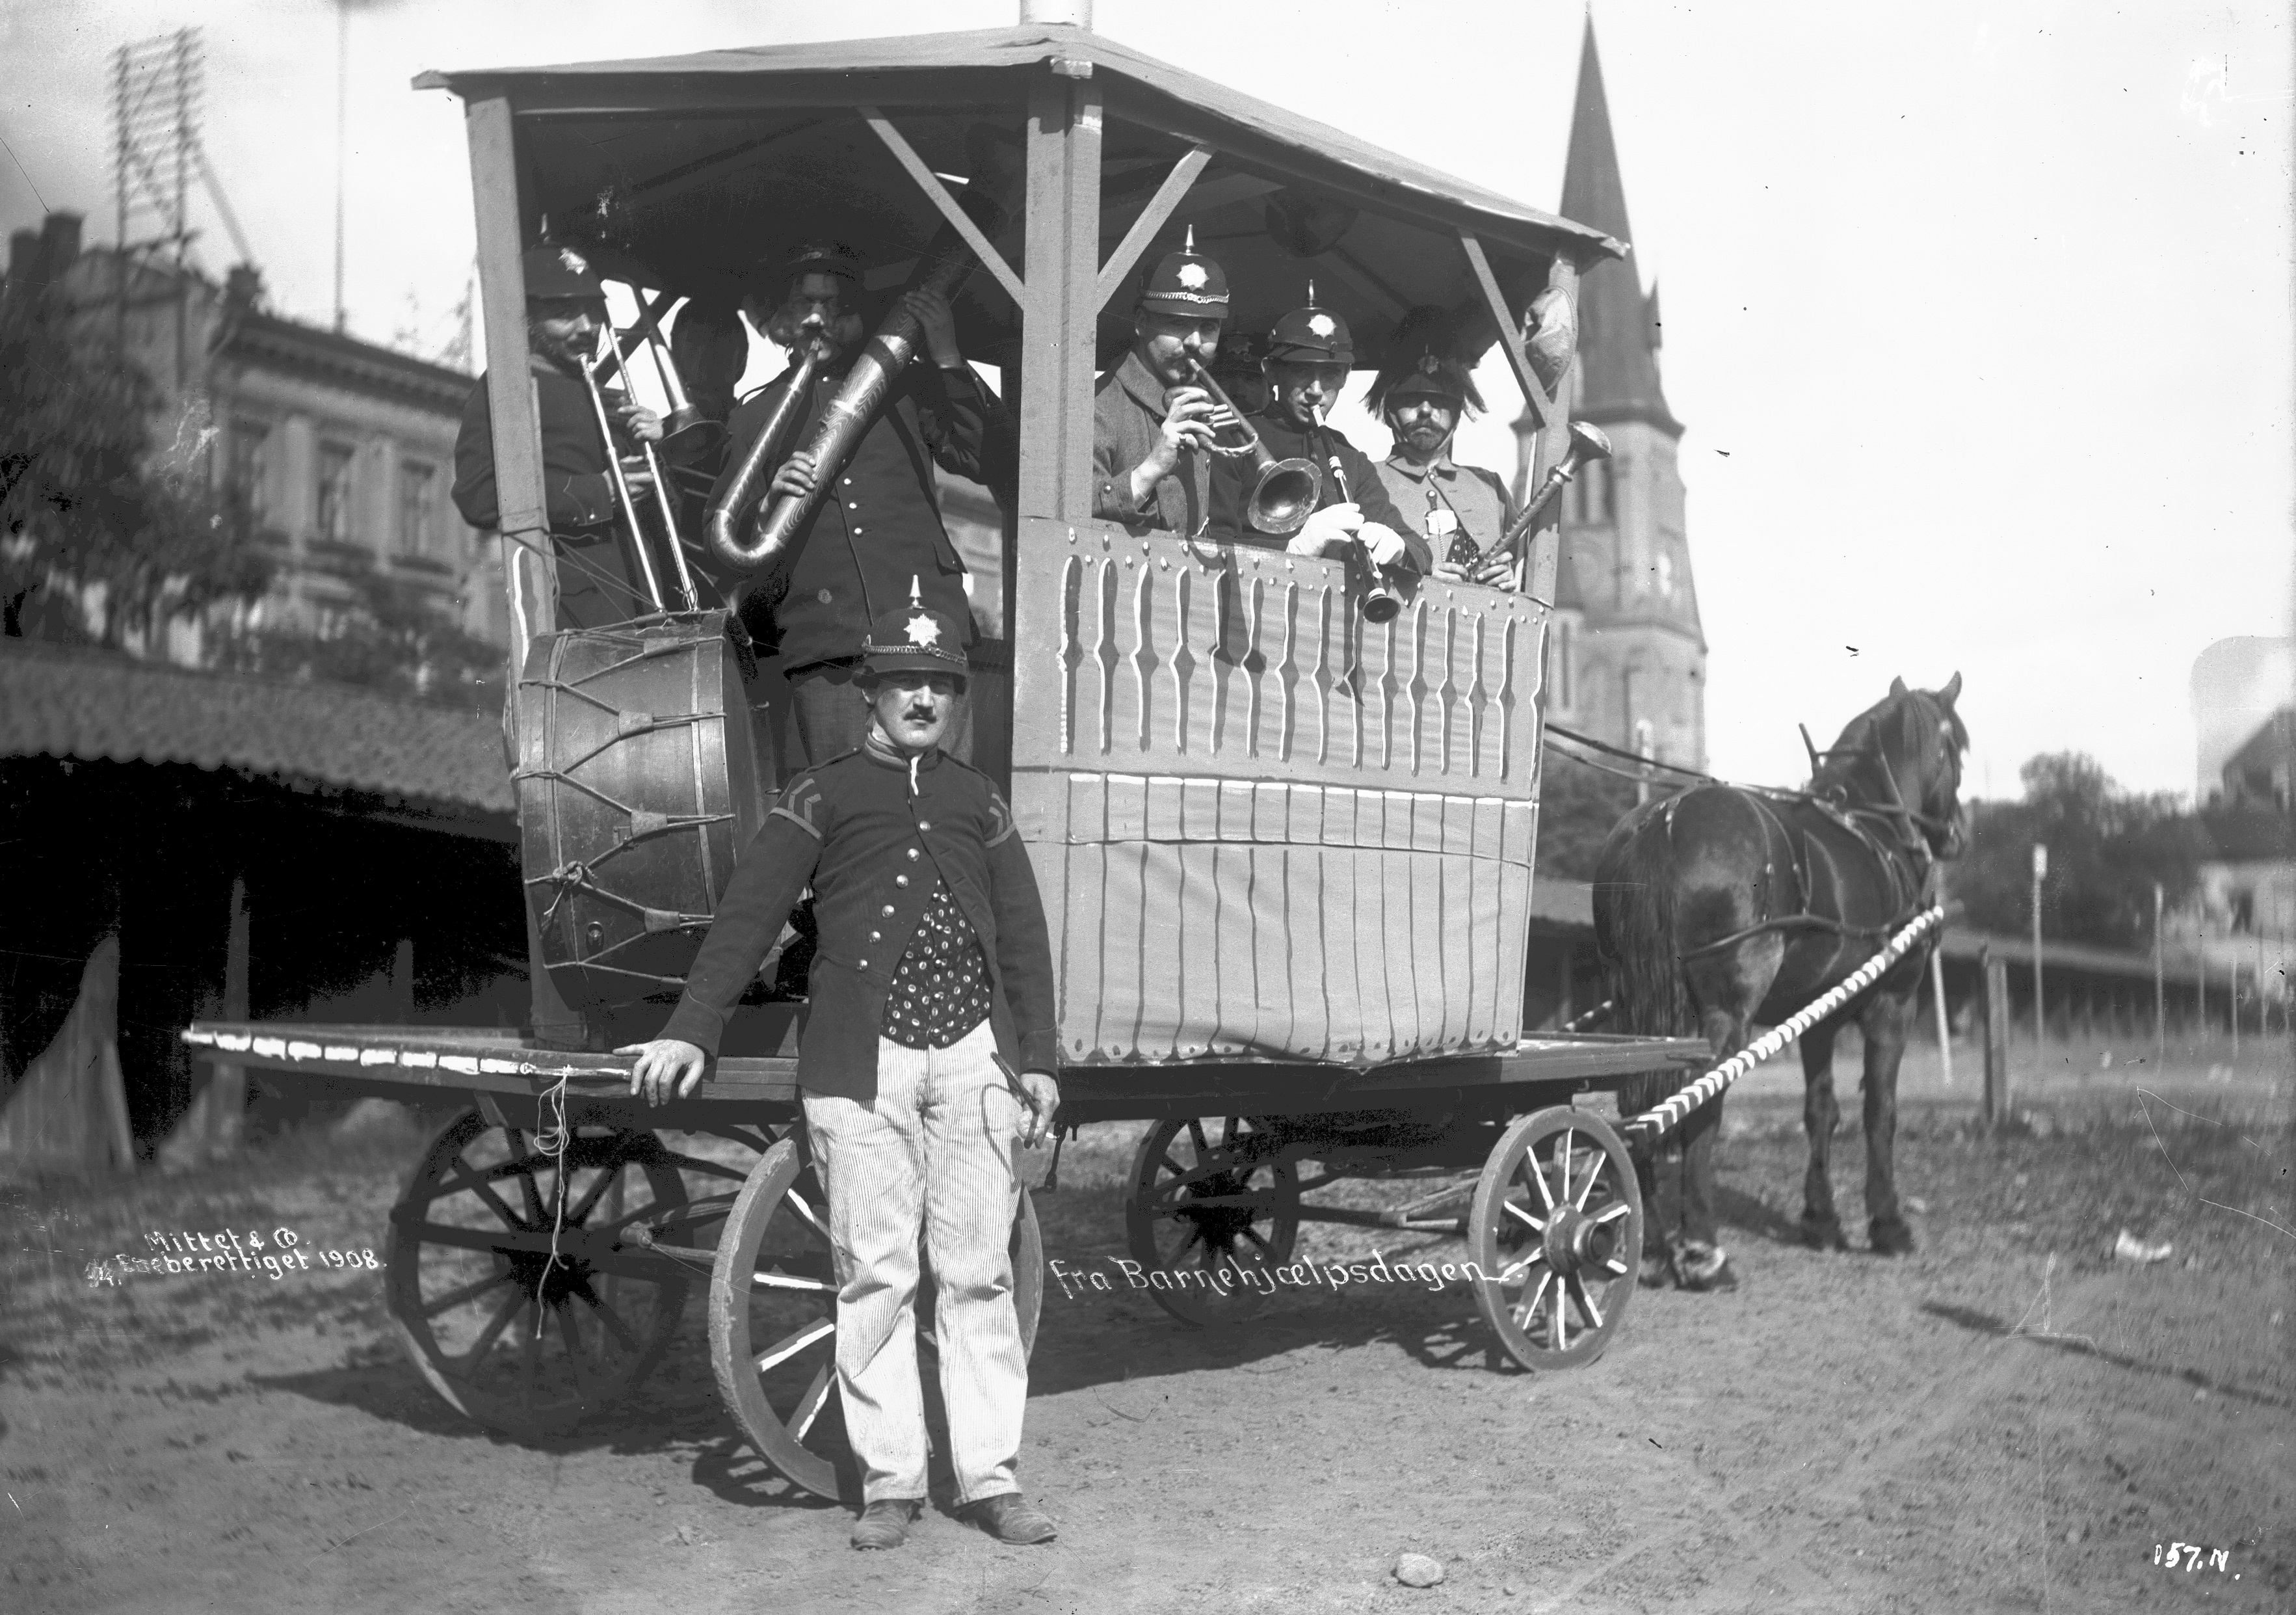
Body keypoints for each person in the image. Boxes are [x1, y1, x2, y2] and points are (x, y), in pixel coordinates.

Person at [619, 589, 1062, 1553]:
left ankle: (991, 1478)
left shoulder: (979, 801)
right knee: (874, 1272)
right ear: (869, 694)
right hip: (858, 1065)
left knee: (977, 1273)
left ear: (955, 700)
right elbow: (748, 914)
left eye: (938, 685)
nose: (922, 699)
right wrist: (695, 1027)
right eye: (904, 682)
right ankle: (892, 1484)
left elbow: (1022, 940)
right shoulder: (819, 794)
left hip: (973, 1060)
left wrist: (1039, 1063)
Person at [709, 241, 1009, 766]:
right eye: (804, 304)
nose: (818, 318)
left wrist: (944, 354)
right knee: (849, 817)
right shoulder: (754, 417)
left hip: (926, 630)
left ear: (856, 313)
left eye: (834, 304)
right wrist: (769, 504)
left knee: (943, 807)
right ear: (781, 318)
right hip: (828, 649)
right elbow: (724, 551)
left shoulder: (908, 386)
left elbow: (981, 457)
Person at [452, 244, 664, 630]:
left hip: (642, 606)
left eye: (593, 311)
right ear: (530, 318)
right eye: (565, 314)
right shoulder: (504, 388)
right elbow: (479, 496)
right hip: (570, 613)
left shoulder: (607, 398)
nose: (586, 327)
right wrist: (599, 494)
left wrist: (656, 451)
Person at [1204, 289, 1427, 581]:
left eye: (1331, 374)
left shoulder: (1350, 459)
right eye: (1302, 371)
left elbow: (1420, 551)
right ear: (1271, 371)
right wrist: (1292, 549)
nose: (1316, 391)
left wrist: (1400, 550)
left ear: (1346, 376)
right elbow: (1210, 547)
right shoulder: (1231, 439)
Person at [1089, 226, 1237, 537]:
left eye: (1209, 328)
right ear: (1141, 323)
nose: (1196, 342)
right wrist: (1152, 469)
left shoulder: (1211, 411)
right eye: (1178, 324)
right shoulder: (1097, 406)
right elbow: (1069, 513)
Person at [1367, 305, 1521, 589]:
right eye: (1412, 399)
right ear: (1391, 410)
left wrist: (1513, 578)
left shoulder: (1491, 489)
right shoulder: (1364, 481)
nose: (1426, 411)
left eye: (1440, 402)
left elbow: (1531, 577)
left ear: (1458, 412)